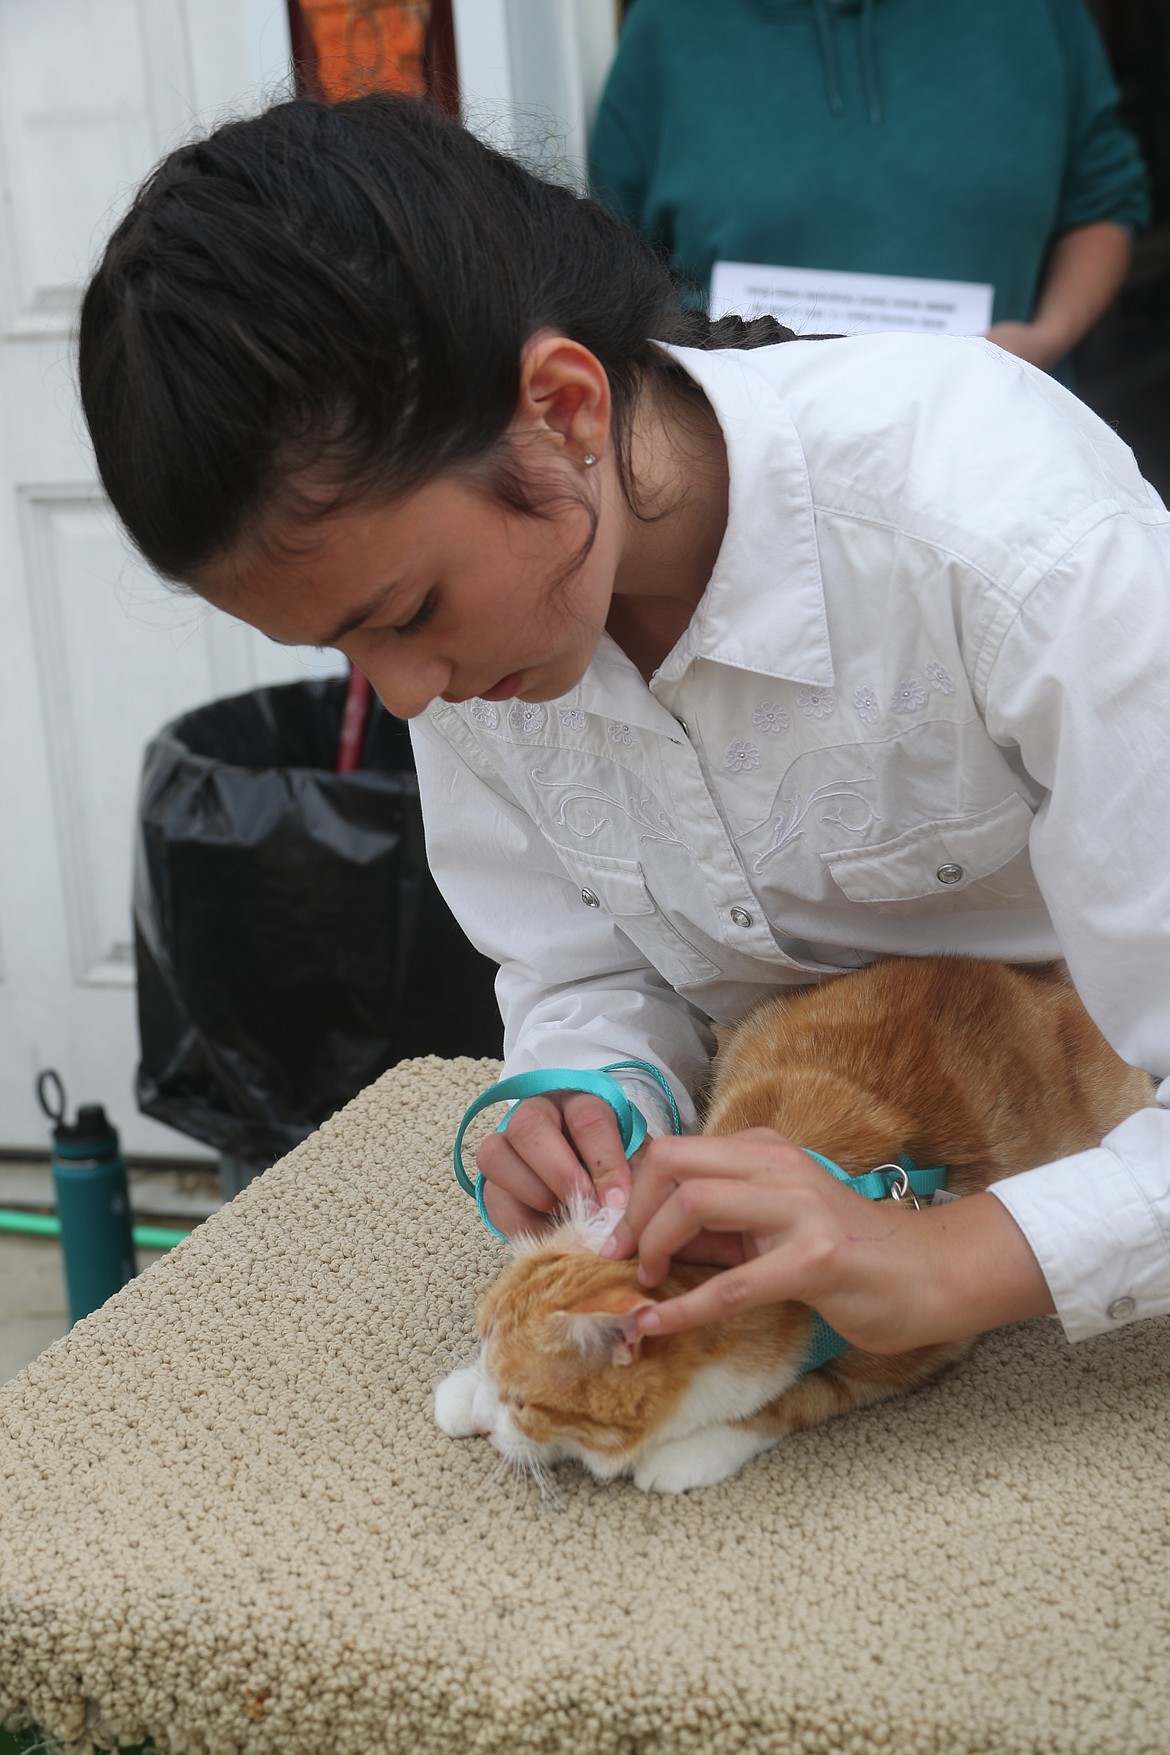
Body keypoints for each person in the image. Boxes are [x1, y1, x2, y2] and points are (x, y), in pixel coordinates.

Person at [78, 94, 1170, 1359]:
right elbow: (586, 962)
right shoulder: (491, 634)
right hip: (821, 1178)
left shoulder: (1001, 532)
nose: (408, 694)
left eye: (406, 611)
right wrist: (596, 1093)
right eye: (343, 646)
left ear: (564, 409)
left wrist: (945, 1261)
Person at [589, 0, 1151, 378]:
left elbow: (1102, 200)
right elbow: (613, 262)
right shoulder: (668, 28)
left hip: (1000, 448)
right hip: (745, 467)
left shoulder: (1038, 15)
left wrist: (1047, 337)